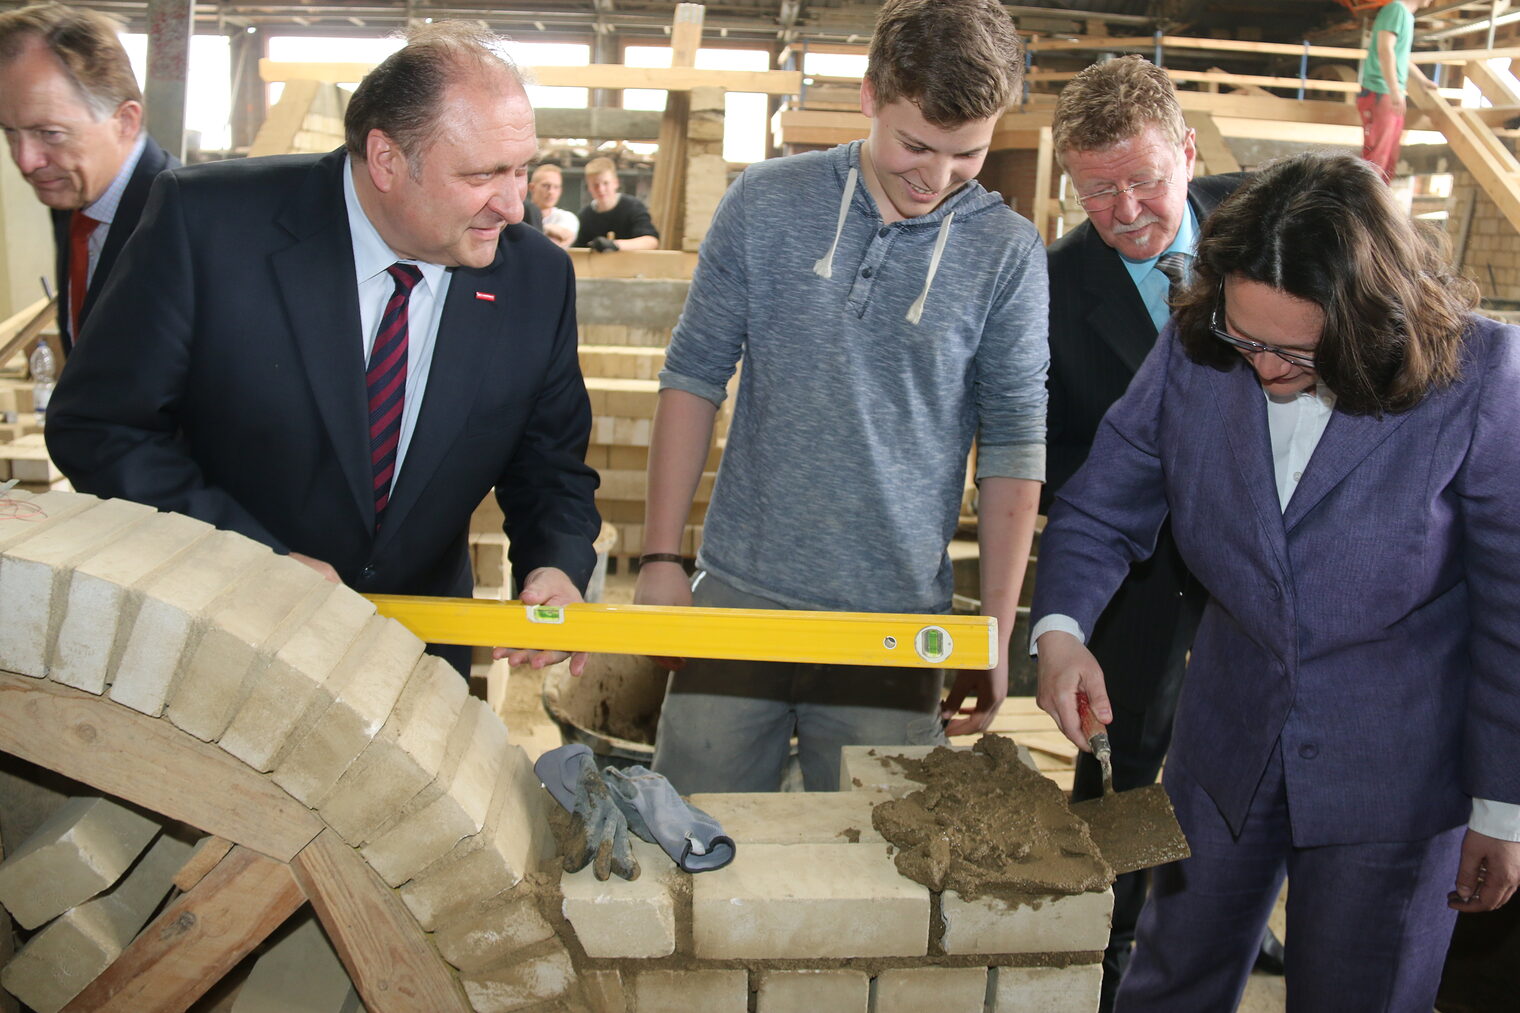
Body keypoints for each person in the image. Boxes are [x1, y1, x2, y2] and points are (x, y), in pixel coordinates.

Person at [1033, 151, 1520, 1011]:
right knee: (1168, 978)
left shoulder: (1477, 376)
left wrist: (1503, 803)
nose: (1262, 368)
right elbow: (1105, 498)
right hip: (1224, 742)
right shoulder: (1198, 349)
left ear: (1370, 315)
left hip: (1397, 769)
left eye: (1295, 349)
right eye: (1245, 338)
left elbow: (1512, 601)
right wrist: (1062, 630)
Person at [45, 22, 601, 677]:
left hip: (414, 652)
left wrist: (555, 564)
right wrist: (257, 560)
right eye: (483, 175)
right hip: (221, 637)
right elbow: (101, 427)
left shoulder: (534, 279)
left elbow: (550, 468)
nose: (513, 205)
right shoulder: (210, 226)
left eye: (522, 168)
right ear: (388, 160)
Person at [637, 0, 1047, 794]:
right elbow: (692, 376)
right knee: (693, 836)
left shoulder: (1009, 255)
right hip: (739, 603)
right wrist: (659, 557)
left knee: (875, 873)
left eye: (969, 154)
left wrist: (992, 632)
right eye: (915, 144)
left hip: (893, 625)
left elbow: (1013, 442)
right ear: (869, 96)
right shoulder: (765, 203)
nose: (935, 177)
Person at [1042, 55, 1269, 1006]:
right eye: (1099, 191)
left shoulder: (1271, 226)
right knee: (1125, 754)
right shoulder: (1053, 287)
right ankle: (1108, 935)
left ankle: (1244, 921)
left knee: (1257, 746)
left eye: (1145, 179)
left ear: (1187, 149)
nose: (1128, 209)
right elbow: (1056, 458)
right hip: (1133, 566)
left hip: (1263, 556)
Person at [0, 1, 177, 356]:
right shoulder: (75, 200)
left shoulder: (180, 227)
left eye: (49, 133)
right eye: (9, 132)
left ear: (125, 121)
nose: (25, 161)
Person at [1358, 0, 1433, 183]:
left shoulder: (1405, 14)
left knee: (1388, 160)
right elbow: (1385, 49)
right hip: (1380, 91)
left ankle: (1378, 207)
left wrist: (1422, 80)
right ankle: (1366, 208)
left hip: (1389, 92)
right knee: (1377, 159)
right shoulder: (1396, 9)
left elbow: (1400, 56)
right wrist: (1394, 90)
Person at [572, 156, 658, 251]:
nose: (601, 189)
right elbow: (579, 248)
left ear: (616, 183)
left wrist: (615, 245)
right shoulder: (585, 216)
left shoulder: (633, 207)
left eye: (605, 183)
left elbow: (651, 241)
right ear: (589, 188)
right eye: (595, 185)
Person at [531, 163, 578, 250]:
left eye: (556, 187)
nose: (551, 192)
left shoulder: (567, 217)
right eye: (546, 186)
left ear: (561, 190)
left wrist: (543, 227)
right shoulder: (517, 216)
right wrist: (547, 229)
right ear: (532, 187)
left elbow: (559, 241)